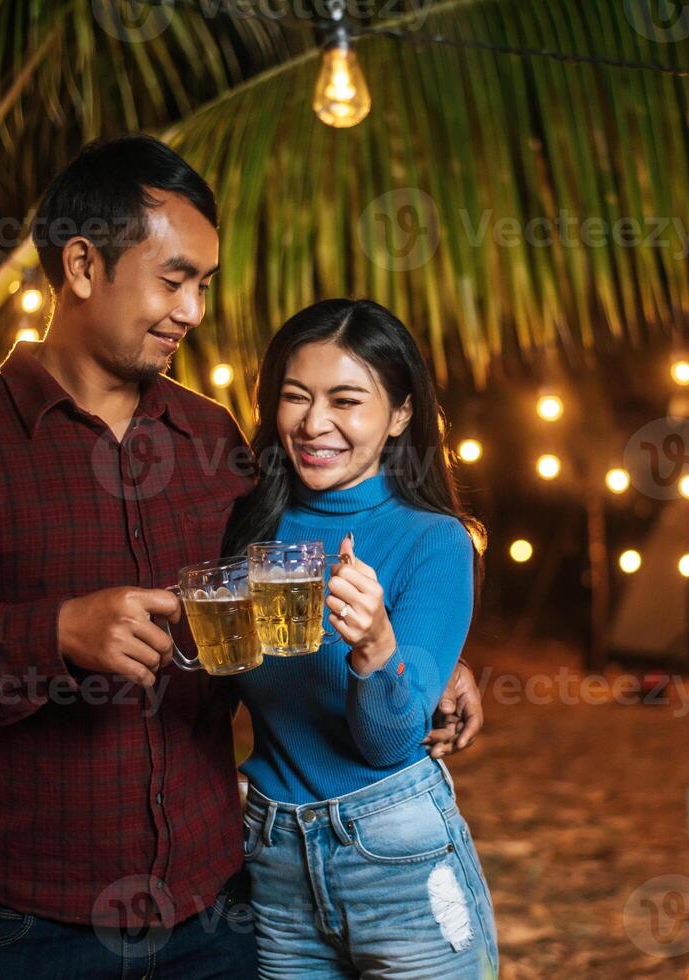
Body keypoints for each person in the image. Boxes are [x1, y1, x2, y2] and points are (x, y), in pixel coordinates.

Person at [0, 136, 480, 979]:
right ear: (80, 266)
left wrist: (432, 661)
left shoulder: (213, 439)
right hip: (29, 927)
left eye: (204, 287)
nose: (192, 311)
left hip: (215, 915)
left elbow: (297, 575)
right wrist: (56, 634)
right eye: (174, 279)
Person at [219, 299, 498, 979]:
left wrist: (376, 647)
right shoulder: (246, 522)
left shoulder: (434, 541)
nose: (314, 424)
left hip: (397, 854)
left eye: (346, 400)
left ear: (401, 414)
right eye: (295, 397)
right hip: (275, 857)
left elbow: (387, 743)